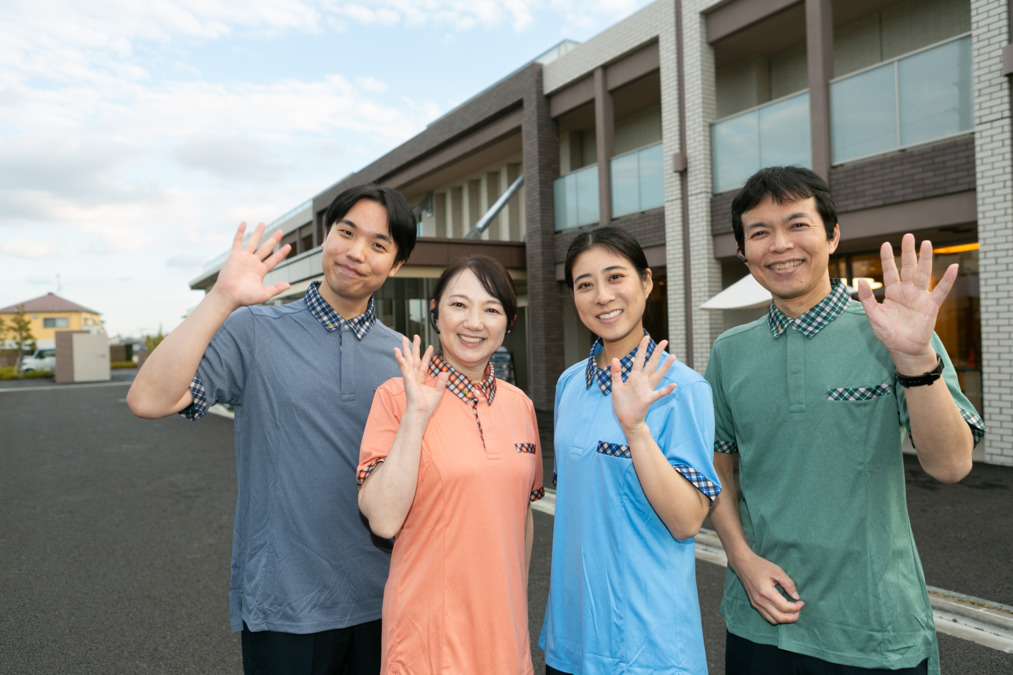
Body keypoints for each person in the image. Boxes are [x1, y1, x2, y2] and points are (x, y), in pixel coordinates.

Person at [126, 184, 418, 675]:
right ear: (327, 237)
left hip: (386, 603)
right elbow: (148, 399)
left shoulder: (404, 358)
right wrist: (222, 298)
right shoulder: (255, 331)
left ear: (396, 265)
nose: (356, 252)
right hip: (283, 606)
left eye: (378, 244)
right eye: (347, 233)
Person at [705, 166, 986, 675]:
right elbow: (718, 471)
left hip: (875, 628)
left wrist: (915, 359)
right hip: (759, 618)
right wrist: (741, 560)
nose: (780, 245)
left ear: (832, 235)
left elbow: (950, 465)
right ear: (743, 252)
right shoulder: (729, 351)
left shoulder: (894, 332)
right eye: (760, 232)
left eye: (798, 225)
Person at [539, 226, 721, 675]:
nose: (602, 296)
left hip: (648, 649)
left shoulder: (682, 389)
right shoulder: (569, 384)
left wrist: (636, 429)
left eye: (615, 277)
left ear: (646, 281)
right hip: (571, 639)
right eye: (585, 284)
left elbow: (687, 521)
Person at [356, 255, 544, 674]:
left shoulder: (520, 406)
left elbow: (522, 516)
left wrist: (514, 609)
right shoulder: (395, 397)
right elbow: (383, 521)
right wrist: (416, 417)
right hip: (428, 641)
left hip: (504, 639)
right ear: (435, 313)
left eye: (491, 309)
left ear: (509, 323)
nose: (474, 322)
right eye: (459, 305)